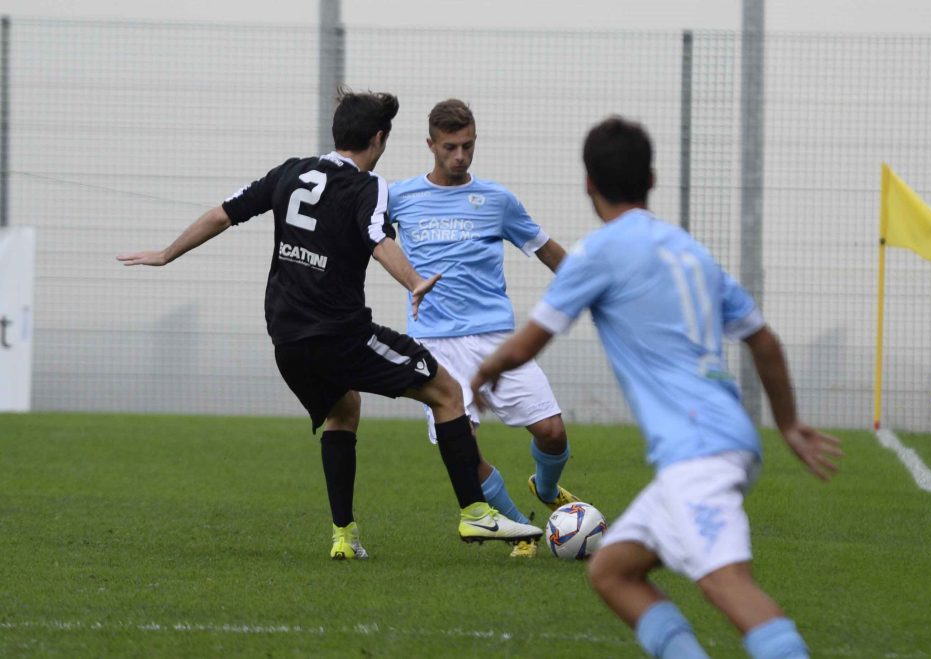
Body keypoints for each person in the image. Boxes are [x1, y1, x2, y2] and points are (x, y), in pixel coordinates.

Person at [116, 88, 542, 561]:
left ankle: (344, 536)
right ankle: (475, 512)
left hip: (286, 340)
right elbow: (378, 239)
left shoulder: (290, 171)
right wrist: (414, 282)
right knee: (446, 392)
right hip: (340, 336)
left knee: (343, 410)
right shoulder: (367, 186)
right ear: (377, 139)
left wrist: (166, 254)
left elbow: (222, 214)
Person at [472, 116, 842, 658]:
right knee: (612, 570)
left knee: (726, 583)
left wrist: (482, 374)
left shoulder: (599, 252)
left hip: (699, 449)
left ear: (588, 184)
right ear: (651, 178)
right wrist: (787, 423)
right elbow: (762, 340)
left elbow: (526, 343)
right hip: (720, 439)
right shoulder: (690, 252)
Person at [388, 99, 578, 558]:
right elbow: (365, 235)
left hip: (496, 339)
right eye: (450, 147)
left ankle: (546, 489)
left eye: (468, 146)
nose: (460, 156)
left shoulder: (497, 200)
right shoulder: (398, 197)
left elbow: (545, 248)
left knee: (552, 432)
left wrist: (592, 286)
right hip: (434, 344)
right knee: (465, 451)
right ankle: (522, 531)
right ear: (430, 144)